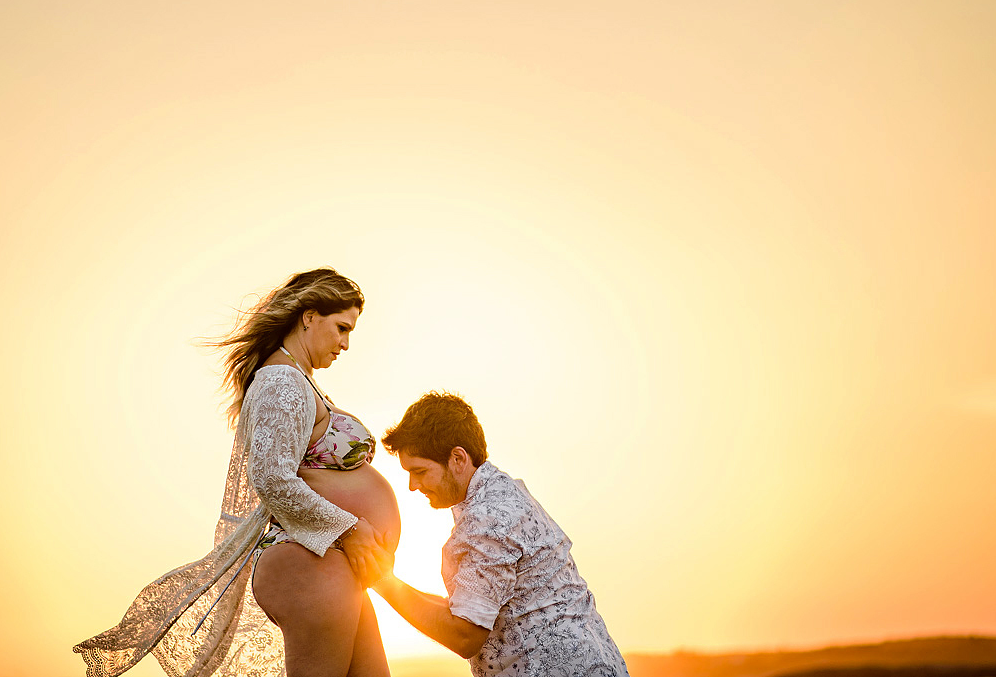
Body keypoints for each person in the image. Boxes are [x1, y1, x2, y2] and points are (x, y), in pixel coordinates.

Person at [73, 268, 399, 677]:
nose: (346, 344)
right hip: (311, 564)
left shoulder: (299, 379)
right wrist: (350, 528)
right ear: (309, 316)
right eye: (341, 328)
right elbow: (272, 479)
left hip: (329, 563)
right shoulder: (282, 380)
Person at [372, 391, 630, 677]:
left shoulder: (486, 518)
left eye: (419, 471)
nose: (412, 485)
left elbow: (465, 636)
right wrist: (389, 579)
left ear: (458, 458)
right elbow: (466, 610)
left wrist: (381, 581)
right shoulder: (503, 493)